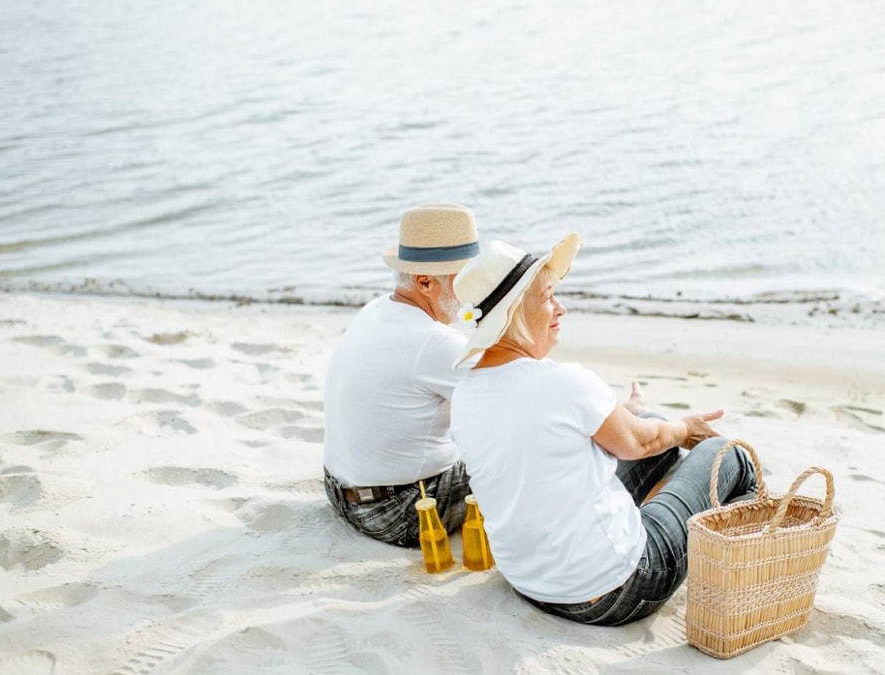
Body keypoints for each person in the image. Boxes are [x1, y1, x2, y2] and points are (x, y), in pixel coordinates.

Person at [449, 234, 759, 626]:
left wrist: (632, 419)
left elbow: (553, 444)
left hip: (529, 582)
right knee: (729, 454)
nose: (560, 308)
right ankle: (749, 564)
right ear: (512, 316)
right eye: (546, 298)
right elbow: (642, 442)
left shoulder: (465, 395)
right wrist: (686, 428)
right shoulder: (563, 383)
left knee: (647, 424)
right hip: (616, 589)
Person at [323, 203, 480, 547]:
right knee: (524, 456)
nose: (476, 290)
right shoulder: (435, 342)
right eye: (467, 278)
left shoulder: (376, 309)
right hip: (401, 512)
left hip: (340, 493)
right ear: (425, 282)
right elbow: (518, 401)